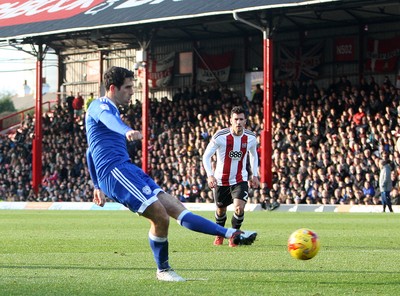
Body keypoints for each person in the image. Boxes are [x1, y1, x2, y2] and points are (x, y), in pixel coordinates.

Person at [85, 66, 257, 282]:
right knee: (160, 215)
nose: (132, 92)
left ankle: (231, 233)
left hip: (129, 169)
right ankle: (163, 270)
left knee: (176, 208)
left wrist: (96, 186)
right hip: (114, 172)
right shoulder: (99, 106)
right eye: (128, 87)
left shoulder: (112, 112)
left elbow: (90, 151)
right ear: (113, 88)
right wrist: (126, 131)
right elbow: (110, 122)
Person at [202, 106, 260, 247]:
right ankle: (220, 234)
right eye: (236, 119)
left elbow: (253, 155)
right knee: (221, 210)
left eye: (241, 119)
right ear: (230, 120)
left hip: (240, 179)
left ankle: (234, 236)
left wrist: (255, 175)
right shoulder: (220, 137)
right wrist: (210, 175)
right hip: (221, 180)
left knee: (239, 208)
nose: (238, 122)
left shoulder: (251, 138)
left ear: (245, 120)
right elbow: (206, 156)